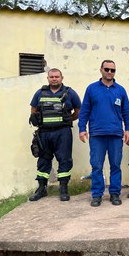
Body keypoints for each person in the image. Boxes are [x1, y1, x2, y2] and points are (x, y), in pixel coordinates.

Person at [78, 59, 129, 207]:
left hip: (115, 134)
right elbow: (84, 111)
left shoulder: (120, 90)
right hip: (97, 135)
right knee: (96, 166)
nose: (109, 72)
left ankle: (115, 193)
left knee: (115, 165)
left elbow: (127, 112)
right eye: (107, 69)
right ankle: (97, 195)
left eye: (112, 70)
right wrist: (82, 129)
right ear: (101, 70)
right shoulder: (92, 89)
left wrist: (128, 129)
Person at [29, 68, 81, 202]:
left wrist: (69, 119)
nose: (54, 79)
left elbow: (79, 111)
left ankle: (63, 188)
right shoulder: (40, 93)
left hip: (62, 132)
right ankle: (41, 189)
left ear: (62, 78)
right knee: (43, 160)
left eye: (57, 76)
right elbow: (33, 109)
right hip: (44, 133)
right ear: (48, 78)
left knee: (64, 159)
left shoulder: (70, 93)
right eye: (51, 77)